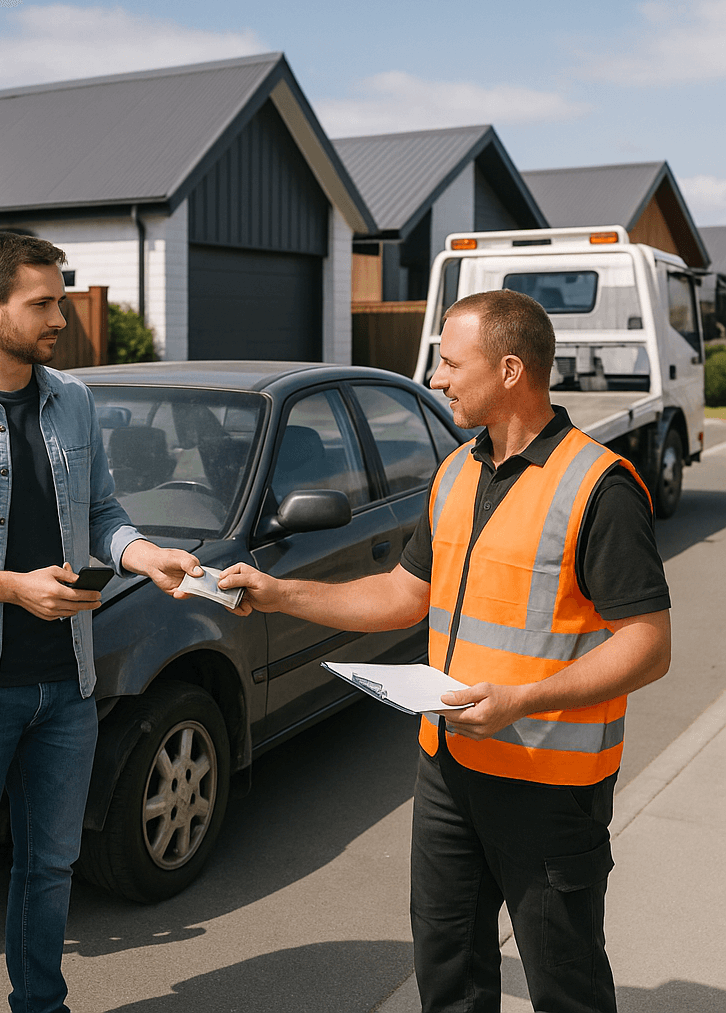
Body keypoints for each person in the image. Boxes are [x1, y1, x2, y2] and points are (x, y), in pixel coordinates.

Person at [219, 289, 671, 1013]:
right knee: (448, 973)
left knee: (567, 986)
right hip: (448, 770)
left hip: (550, 784)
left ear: (511, 370)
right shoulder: (456, 471)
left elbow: (648, 646)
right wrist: (280, 594)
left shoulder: (599, 487)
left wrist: (522, 700)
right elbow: (403, 595)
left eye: (451, 363)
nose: (436, 378)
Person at [0, 232, 201, 1013]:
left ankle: (41, 1005)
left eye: (61, 299)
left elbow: (102, 512)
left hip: (66, 687)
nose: (61, 318)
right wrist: (11, 589)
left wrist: (144, 553)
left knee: (50, 867)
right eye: (43, 303)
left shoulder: (73, 402)